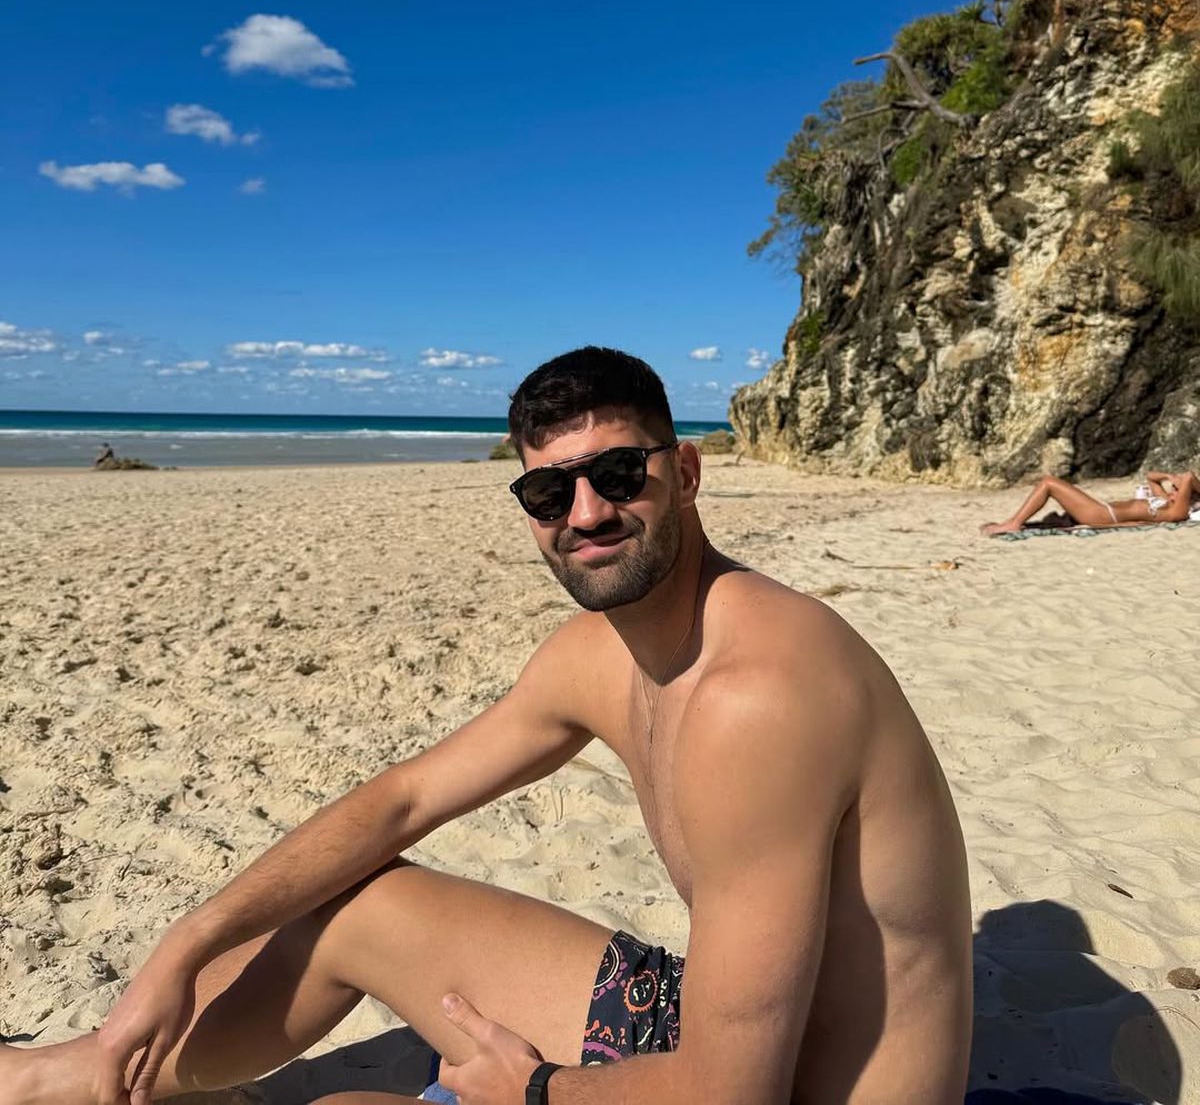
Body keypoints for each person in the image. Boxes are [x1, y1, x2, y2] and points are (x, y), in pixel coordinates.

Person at [2, 347, 973, 1105]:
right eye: (549, 491)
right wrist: (185, 944)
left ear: (683, 472)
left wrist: (538, 1089)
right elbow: (404, 799)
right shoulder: (600, 655)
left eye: (618, 474)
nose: (586, 513)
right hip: (731, 1032)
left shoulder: (758, 696)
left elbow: (731, 1092)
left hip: (789, 1087)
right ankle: (72, 1076)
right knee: (358, 904)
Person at [981, 468, 1199, 537]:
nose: (1173, 491)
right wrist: (1170, 476)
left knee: (1049, 483)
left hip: (1100, 515)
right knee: (1049, 483)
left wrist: (1184, 483)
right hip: (1101, 509)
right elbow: (1151, 476)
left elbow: (1189, 477)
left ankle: (1014, 523)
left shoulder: (1176, 512)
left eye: (1177, 491)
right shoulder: (1164, 501)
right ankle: (1014, 521)